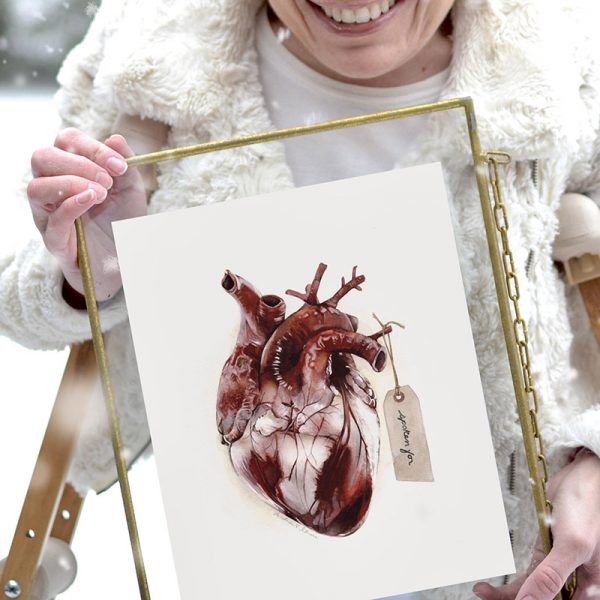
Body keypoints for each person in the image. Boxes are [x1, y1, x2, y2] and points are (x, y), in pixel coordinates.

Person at [8, 0, 600, 597]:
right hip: (253, 568)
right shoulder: (150, 56)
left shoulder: (566, 60)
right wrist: (91, 271)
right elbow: (20, 302)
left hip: (515, 570)